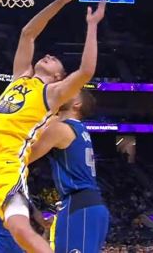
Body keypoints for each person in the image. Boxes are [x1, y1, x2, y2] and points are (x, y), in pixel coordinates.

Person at [0, 0, 106, 253]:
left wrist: (92, 26)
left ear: (58, 77)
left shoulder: (52, 94)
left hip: (7, 168)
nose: (48, 56)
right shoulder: (20, 77)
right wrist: (59, 2)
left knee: (20, 229)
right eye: (48, 56)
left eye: (55, 61)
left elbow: (85, 71)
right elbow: (27, 33)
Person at [29, 90, 110, 252]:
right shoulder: (79, 129)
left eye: (73, 91)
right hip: (88, 205)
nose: (66, 89)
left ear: (77, 105)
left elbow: (24, 156)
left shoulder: (61, 129)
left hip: (79, 205)